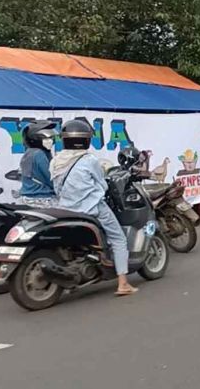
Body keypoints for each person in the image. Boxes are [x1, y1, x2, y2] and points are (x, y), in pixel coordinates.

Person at [49, 120, 137, 296]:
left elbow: (56, 187)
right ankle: (123, 283)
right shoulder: (89, 160)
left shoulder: (56, 161)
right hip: (93, 208)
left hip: (66, 210)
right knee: (119, 239)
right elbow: (102, 184)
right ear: (86, 140)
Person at [19, 121, 57, 207]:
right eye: (46, 139)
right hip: (42, 199)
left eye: (51, 138)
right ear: (34, 139)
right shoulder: (39, 154)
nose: (50, 141)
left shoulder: (30, 152)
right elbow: (50, 178)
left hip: (29, 197)